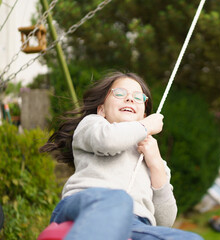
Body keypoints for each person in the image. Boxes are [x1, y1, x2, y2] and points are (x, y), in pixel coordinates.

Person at [40, 72, 203, 240]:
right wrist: (145, 127)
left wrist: (156, 165)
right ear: (101, 109)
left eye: (138, 97)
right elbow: (108, 141)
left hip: (134, 225)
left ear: (144, 115)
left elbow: (165, 220)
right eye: (120, 93)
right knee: (119, 199)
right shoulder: (93, 125)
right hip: (88, 208)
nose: (130, 99)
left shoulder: (153, 158)